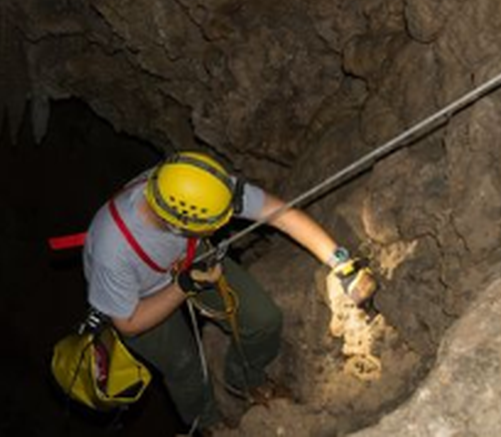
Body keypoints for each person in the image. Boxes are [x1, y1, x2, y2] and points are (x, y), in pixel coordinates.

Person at [82, 151, 377, 434]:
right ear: (179, 224)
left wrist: (341, 263)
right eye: (213, 226)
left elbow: (280, 214)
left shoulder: (201, 185)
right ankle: (207, 422)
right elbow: (128, 323)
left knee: (263, 320)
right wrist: (185, 286)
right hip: (138, 301)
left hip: (188, 255)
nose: (222, 227)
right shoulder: (112, 250)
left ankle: (244, 379)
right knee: (184, 365)